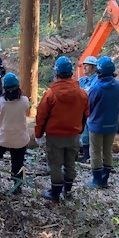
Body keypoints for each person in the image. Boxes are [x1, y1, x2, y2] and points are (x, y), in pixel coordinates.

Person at [35, 57, 89, 201]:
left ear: (57, 73)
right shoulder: (82, 93)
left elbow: (41, 116)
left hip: (55, 136)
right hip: (73, 135)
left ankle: (55, 193)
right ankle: (68, 191)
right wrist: (80, 130)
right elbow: (85, 115)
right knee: (70, 163)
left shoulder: (50, 94)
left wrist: (38, 134)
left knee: (55, 165)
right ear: (71, 73)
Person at [0, 73, 29, 193]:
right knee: (18, 162)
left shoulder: (1, 101)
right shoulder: (24, 100)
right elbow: (27, 111)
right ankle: (17, 185)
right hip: (20, 138)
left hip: (4, 137)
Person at [87, 56, 119, 188]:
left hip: (96, 125)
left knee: (95, 151)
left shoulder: (97, 88)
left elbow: (89, 106)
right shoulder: (118, 85)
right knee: (107, 151)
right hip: (112, 124)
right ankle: (105, 179)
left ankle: (96, 180)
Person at [78, 55, 99, 162]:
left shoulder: (97, 80)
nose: (84, 67)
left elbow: (91, 94)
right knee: (83, 134)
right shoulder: (81, 81)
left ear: (94, 67)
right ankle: (84, 154)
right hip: (82, 112)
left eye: (87, 66)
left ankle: (91, 156)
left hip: (93, 112)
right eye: (84, 65)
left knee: (91, 134)